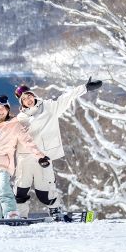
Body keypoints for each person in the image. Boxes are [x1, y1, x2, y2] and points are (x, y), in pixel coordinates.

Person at [12, 77, 103, 218]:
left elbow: (66, 97)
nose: (28, 100)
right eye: (24, 99)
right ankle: (20, 215)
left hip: (43, 157)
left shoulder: (49, 107)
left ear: (33, 95)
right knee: (20, 189)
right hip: (25, 158)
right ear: (21, 103)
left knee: (45, 191)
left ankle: (55, 211)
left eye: (29, 96)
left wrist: (84, 88)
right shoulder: (20, 118)